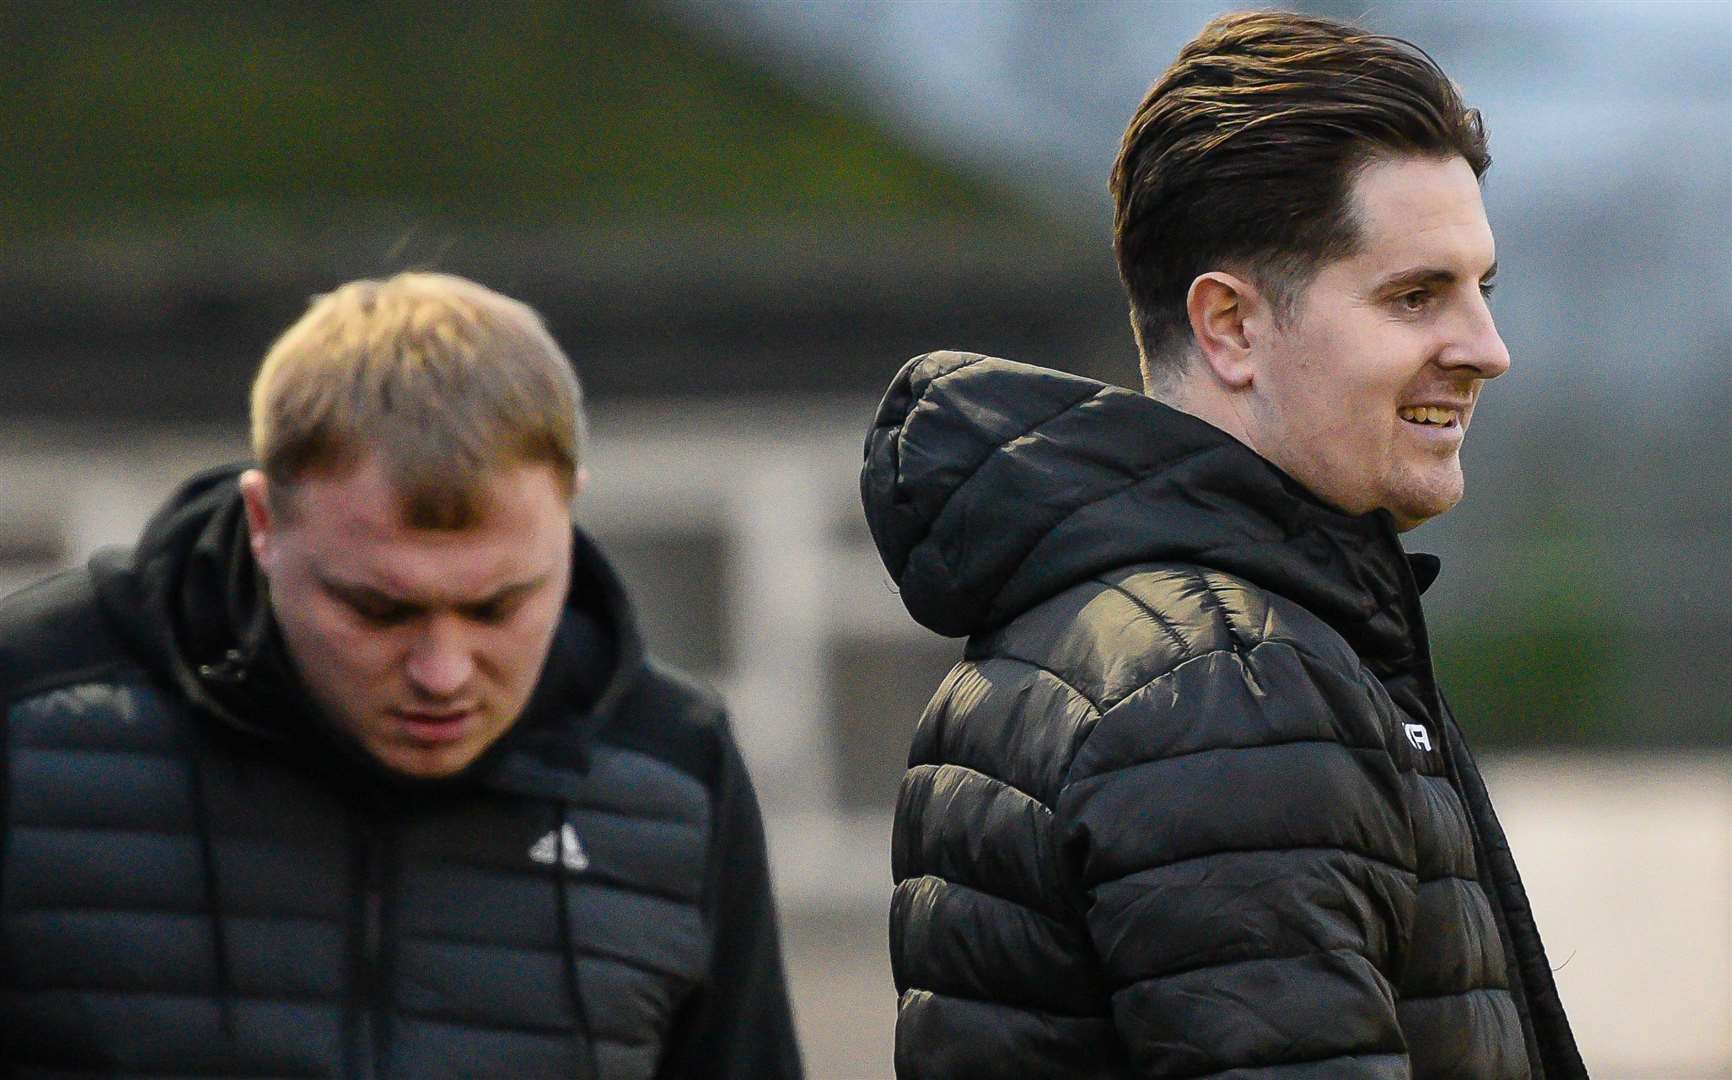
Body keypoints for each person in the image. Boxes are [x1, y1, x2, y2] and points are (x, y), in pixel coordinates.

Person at [861, 11, 1585, 1079]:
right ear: (1230, 326)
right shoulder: (1226, 687)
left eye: (1481, 289)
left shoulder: (1111, 639)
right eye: (1415, 296)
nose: (1487, 349)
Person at [0, 272, 802, 1078]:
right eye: (378, 612)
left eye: (497, 607)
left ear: (569, 515)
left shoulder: (675, 768)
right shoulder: (28, 712)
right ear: (263, 524)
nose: (442, 674)